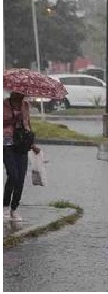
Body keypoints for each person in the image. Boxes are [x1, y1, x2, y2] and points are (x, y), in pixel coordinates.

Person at [3, 92, 40, 221]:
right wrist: (14, 118)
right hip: (6, 142)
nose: (21, 95)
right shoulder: (4, 105)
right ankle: (5, 206)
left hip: (22, 144)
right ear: (13, 93)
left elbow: (28, 124)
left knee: (20, 179)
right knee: (13, 175)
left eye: (23, 93)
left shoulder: (25, 105)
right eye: (19, 93)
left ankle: (14, 208)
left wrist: (32, 144)